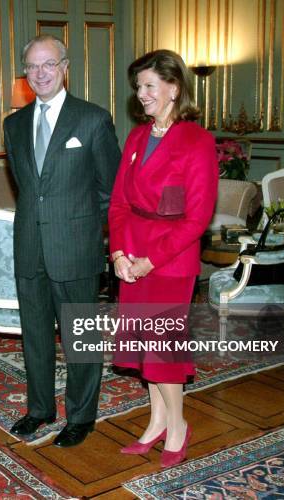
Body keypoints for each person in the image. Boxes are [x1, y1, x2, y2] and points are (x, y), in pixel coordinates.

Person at [3, 35, 121, 447]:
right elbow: (27, 188)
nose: (40, 73)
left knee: (81, 340)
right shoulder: (13, 125)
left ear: (65, 66)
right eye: (32, 66)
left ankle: (81, 416)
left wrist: (87, 232)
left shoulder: (92, 119)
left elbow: (111, 190)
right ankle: (39, 409)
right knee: (34, 336)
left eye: (48, 64)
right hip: (29, 249)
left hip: (76, 250)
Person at [108, 49, 218, 467]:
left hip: (170, 263)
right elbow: (118, 203)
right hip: (131, 255)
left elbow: (197, 218)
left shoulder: (197, 140)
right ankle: (156, 423)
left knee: (162, 350)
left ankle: (178, 427)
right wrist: (118, 252)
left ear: (174, 88)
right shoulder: (137, 137)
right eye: (138, 87)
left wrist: (149, 260)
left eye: (150, 86)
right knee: (142, 347)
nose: (141, 95)